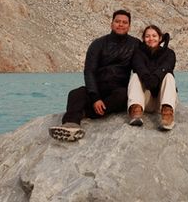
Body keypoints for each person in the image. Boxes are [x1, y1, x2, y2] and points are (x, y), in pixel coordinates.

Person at [49, 9, 140, 142]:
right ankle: (70, 125)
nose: (120, 24)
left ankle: (85, 113)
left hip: (118, 90)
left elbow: (147, 63)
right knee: (76, 93)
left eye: (124, 22)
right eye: (117, 21)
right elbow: (89, 71)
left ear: (129, 26)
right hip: (98, 88)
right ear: (111, 24)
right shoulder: (98, 44)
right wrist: (95, 97)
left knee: (123, 95)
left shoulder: (135, 44)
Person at [127, 24, 177, 131]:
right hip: (145, 101)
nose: (151, 39)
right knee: (135, 76)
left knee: (168, 76)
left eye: (154, 36)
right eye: (147, 36)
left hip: (161, 100)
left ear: (160, 38)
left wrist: (155, 77)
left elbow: (166, 66)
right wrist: (148, 79)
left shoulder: (169, 53)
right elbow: (139, 67)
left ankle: (167, 114)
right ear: (144, 39)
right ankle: (136, 110)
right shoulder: (138, 53)